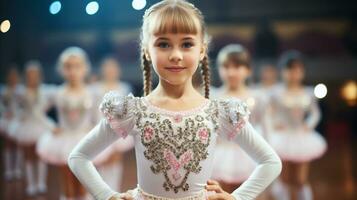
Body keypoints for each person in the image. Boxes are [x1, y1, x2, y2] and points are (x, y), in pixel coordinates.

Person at [68, 1, 282, 200]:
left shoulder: (220, 112)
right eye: (163, 44)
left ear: (202, 50)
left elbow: (270, 162)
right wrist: (107, 195)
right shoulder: (131, 110)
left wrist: (237, 197)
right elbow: (79, 157)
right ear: (147, 51)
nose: (176, 55)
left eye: (187, 44)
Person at [266, 50, 327, 200]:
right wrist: (274, 124)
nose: (294, 73)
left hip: (302, 137)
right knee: (284, 177)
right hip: (281, 137)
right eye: (290, 69)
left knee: (300, 179)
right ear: (283, 71)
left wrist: (309, 125)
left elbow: (315, 113)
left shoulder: (308, 92)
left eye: (298, 69)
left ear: (303, 72)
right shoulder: (275, 92)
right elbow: (268, 113)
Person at [211, 44, 268, 196]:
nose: (231, 72)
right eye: (226, 66)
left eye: (237, 66)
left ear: (248, 70)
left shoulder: (258, 96)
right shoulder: (212, 96)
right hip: (220, 154)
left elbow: (263, 127)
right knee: (221, 194)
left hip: (249, 155)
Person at [10, 61, 55, 195]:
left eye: (35, 74)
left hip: (41, 126)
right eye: (30, 74)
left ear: (39, 75)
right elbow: (16, 107)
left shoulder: (44, 91)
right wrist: (20, 115)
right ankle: (31, 183)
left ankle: (41, 183)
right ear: (26, 76)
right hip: (28, 126)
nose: (32, 77)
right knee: (28, 154)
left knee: (40, 154)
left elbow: (51, 103)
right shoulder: (21, 91)